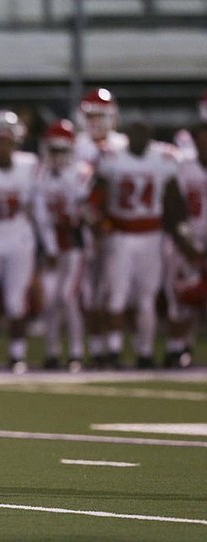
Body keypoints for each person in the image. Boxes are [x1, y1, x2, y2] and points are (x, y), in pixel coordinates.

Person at [92, 120, 180, 369]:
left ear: (150, 135)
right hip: (120, 234)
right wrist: (101, 222)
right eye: (135, 133)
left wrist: (179, 232)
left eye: (143, 133)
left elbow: (174, 199)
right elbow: (97, 196)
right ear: (127, 135)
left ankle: (145, 351)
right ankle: (114, 350)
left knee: (147, 298)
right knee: (116, 297)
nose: (139, 138)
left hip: (152, 234)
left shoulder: (164, 158)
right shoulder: (112, 158)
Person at [0, 110, 54, 373]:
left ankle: (17, 354)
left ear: (16, 142)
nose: (2, 147)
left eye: (7, 141)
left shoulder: (30, 165)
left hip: (20, 239)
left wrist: (49, 245)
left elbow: (39, 210)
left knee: (17, 301)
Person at [74, 88, 129, 366]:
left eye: (100, 115)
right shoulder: (74, 145)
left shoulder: (123, 145)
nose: (95, 121)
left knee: (115, 291)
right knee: (87, 292)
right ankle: (95, 350)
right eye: (91, 115)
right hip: (82, 230)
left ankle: (116, 349)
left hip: (119, 228)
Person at [34, 120, 93, 371]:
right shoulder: (40, 174)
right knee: (50, 300)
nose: (57, 155)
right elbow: (41, 216)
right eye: (53, 150)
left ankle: (77, 352)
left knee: (69, 297)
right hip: (54, 245)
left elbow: (81, 212)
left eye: (62, 150)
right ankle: (52, 351)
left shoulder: (82, 172)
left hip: (77, 244)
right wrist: (50, 248)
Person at [162, 121, 207, 368]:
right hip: (185, 243)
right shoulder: (182, 168)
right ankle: (176, 349)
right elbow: (172, 206)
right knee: (182, 299)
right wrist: (188, 245)